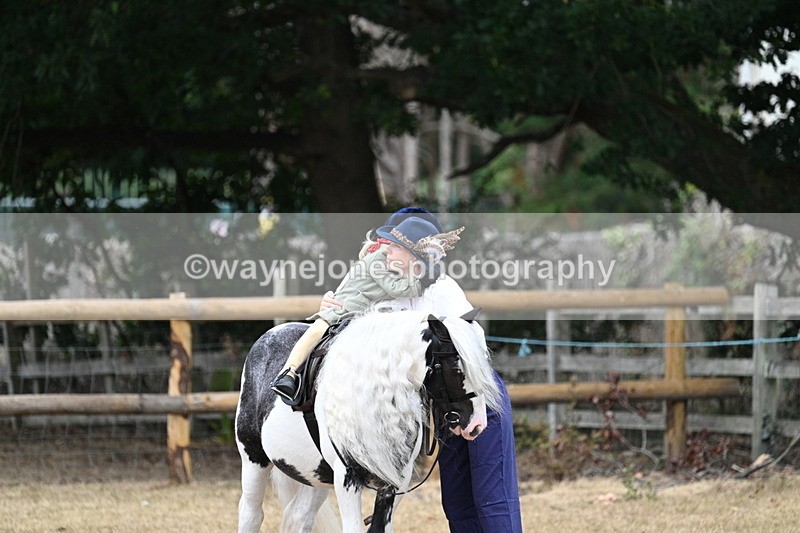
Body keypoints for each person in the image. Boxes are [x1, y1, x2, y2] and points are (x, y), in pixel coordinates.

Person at [319, 208, 523, 532]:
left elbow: (474, 343)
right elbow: (348, 338)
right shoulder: (375, 283)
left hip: (473, 391)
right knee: (456, 501)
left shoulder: (442, 288)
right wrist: (331, 306)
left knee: (492, 497)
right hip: (441, 401)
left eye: (394, 245)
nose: (385, 251)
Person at [270, 215, 464, 405]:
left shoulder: (431, 282)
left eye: (395, 246)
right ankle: (289, 372)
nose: (387, 249)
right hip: (347, 308)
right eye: (389, 244)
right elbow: (396, 289)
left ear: (413, 256)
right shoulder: (378, 261)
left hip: (367, 317)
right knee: (318, 328)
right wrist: (425, 278)